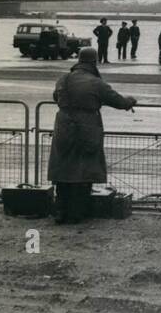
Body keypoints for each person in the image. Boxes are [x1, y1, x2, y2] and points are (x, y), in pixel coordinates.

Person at [47, 46, 137, 224]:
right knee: (84, 171)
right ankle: (76, 213)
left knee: (63, 171)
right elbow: (118, 101)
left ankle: (60, 212)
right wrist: (131, 101)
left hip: (63, 127)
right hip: (86, 128)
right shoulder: (96, 83)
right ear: (94, 61)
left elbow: (56, 98)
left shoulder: (63, 79)